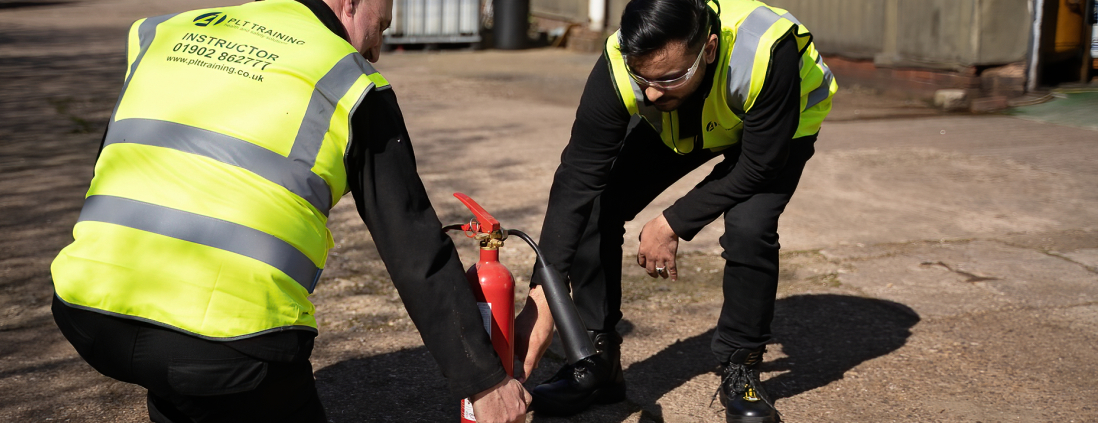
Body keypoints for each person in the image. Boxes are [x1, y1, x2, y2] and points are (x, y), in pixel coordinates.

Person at [48, 0, 538, 421]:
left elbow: (111, 166)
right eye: (380, 26)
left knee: (186, 381)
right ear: (349, 2)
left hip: (88, 313)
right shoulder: (349, 80)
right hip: (230, 345)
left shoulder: (166, 33)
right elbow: (414, 247)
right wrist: (486, 381)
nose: (375, 50)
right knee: (212, 373)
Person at [514, 0, 836, 421]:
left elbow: (759, 165)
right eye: (641, 77)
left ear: (710, 48)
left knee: (749, 229)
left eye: (667, 77)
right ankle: (598, 362)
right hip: (689, 115)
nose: (649, 92)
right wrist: (544, 294)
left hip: (774, 132)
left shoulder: (766, 50)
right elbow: (578, 175)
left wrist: (673, 222)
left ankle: (741, 368)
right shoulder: (621, 58)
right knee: (597, 204)